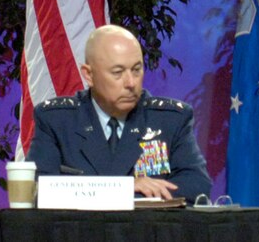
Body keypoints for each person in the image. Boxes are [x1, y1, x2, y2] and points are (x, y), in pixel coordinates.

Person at [29, 24, 211, 201]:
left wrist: (100, 193)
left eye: (136, 70)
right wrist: (124, 188)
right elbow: (38, 189)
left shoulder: (170, 120)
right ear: (89, 75)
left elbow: (196, 186)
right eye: (118, 72)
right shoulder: (57, 120)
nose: (131, 83)